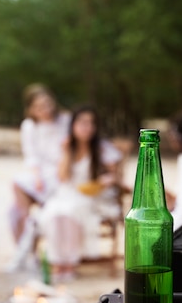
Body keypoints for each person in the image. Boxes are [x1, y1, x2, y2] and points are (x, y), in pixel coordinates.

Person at [38, 105, 122, 282]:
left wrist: (106, 180)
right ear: (73, 125)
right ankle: (57, 260)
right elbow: (62, 177)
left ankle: (70, 261)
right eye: (83, 123)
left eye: (91, 123)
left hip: (93, 195)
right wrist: (66, 151)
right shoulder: (67, 146)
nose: (87, 127)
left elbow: (115, 175)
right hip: (68, 192)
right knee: (54, 212)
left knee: (72, 210)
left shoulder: (101, 148)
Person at [9, 84, 71, 244]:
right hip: (42, 173)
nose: (45, 109)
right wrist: (37, 177)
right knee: (15, 205)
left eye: (47, 104)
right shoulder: (29, 126)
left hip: (63, 171)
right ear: (31, 109)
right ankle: (25, 238)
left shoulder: (65, 121)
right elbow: (32, 155)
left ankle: (41, 233)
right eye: (39, 107)